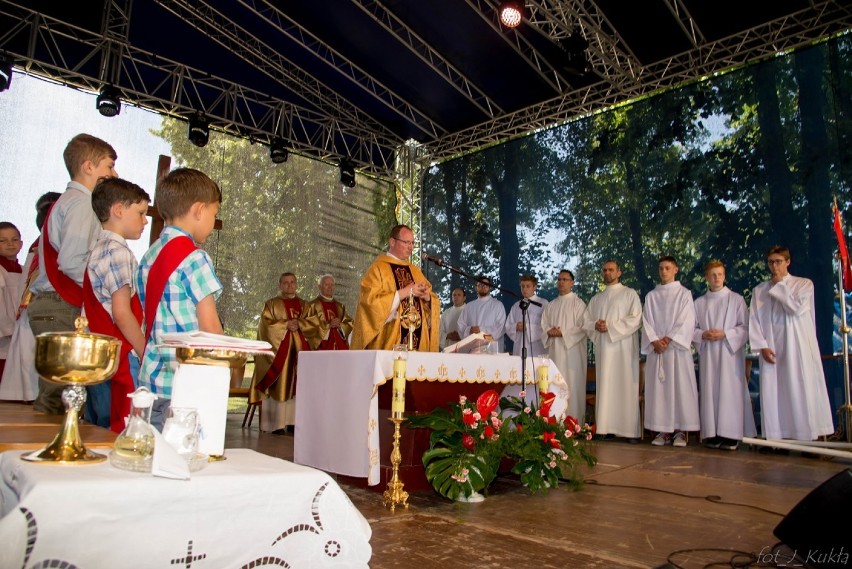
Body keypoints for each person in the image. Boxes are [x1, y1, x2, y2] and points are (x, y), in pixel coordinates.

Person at [28, 133, 118, 415]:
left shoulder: (68, 201)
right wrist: (104, 286)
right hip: (61, 303)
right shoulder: (82, 203)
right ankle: (54, 450)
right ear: (88, 167)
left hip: (52, 301)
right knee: (62, 393)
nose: (113, 173)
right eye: (109, 165)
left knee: (57, 389)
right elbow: (71, 261)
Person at [136, 168, 224, 431]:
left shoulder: (149, 256)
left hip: (151, 381)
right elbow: (210, 328)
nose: (213, 222)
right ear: (199, 210)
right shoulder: (195, 258)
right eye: (214, 214)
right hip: (185, 384)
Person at [83, 178, 149, 432]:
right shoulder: (117, 251)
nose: (145, 221)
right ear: (119, 210)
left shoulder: (98, 247)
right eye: (141, 213)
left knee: (99, 423)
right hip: (121, 354)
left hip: (100, 357)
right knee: (122, 427)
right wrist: (145, 351)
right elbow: (122, 313)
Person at [749, 246, 834, 441]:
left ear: (788, 262)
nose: (774, 266)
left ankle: (808, 437)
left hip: (797, 346)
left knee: (800, 387)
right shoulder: (759, 290)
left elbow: (795, 309)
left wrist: (780, 286)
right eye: (771, 262)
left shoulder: (803, 285)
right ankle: (776, 438)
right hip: (772, 347)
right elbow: (754, 320)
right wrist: (761, 345)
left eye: (778, 261)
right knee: (775, 392)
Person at [0, 193, 61, 402]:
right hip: (31, 318)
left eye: (14, 239)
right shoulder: (43, 249)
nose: (10, 244)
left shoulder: (38, 248)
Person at [693, 261, 756, 451]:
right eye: (713, 274)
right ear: (706, 277)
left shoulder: (736, 300)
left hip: (730, 354)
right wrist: (702, 334)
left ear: (724, 275)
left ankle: (731, 434)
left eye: (720, 274)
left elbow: (744, 328)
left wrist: (725, 334)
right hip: (709, 354)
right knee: (710, 390)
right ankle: (713, 433)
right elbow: (691, 328)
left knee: (730, 391)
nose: (717, 278)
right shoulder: (699, 303)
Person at [350, 224, 439, 351]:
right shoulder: (378, 269)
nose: (411, 247)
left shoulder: (415, 271)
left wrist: (427, 298)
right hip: (390, 342)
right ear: (392, 242)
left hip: (418, 344)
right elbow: (369, 304)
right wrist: (404, 292)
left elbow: (431, 305)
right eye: (407, 242)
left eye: (412, 243)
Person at [641, 256, 700, 447]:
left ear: (676, 269)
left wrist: (668, 339)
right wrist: (654, 341)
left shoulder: (684, 294)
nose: (663, 271)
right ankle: (662, 430)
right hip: (658, 351)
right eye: (661, 268)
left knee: (680, 389)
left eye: (667, 268)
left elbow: (686, 320)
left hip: (677, 351)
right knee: (659, 392)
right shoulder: (651, 296)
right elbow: (646, 321)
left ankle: (680, 431)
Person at [582, 260, 642, 442]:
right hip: (605, 350)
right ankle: (606, 428)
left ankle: (630, 431)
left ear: (619, 272)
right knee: (606, 386)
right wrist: (596, 325)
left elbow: (636, 319)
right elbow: (586, 322)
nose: (607, 273)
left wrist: (610, 326)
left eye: (611, 270)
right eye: (604, 270)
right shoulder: (596, 299)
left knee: (625, 385)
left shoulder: (629, 294)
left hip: (624, 349)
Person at [249, 272, 310, 433]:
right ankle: (276, 424)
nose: (290, 285)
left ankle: (293, 423)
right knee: (279, 384)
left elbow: (315, 324)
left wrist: (301, 324)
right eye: (286, 283)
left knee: (297, 385)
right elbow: (265, 324)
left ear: (297, 284)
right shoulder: (271, 304)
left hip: (300, 353)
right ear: (280, 285)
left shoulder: (305, 305)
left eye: (292, 282)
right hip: (279, 354)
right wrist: (285, 325)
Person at [541, 269, 588, 422]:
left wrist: (563, 333)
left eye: (565, 280)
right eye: (559, 279)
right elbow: (544, 325)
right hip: (555, 353)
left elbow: (583, 327)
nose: (561, 282)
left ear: (572, 283)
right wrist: (549, 331)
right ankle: (555, 422)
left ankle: (574, 422)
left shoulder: (579, 304)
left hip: (573, 354)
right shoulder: (551, 305)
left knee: (572, 385)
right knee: (554, 386)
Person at [303, 274, 354, 351]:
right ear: (319, 287)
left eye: (332, 285)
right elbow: (308, 327)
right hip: (321, 347)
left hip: (340, 346)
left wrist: (341, 326)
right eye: (326, 284)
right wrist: (328, 325)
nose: (330, 287)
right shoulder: (311, 306)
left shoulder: (340, 306)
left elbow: (350, 324)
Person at [456, 276, 506, 352]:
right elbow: (460, 324)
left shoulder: (498, 305)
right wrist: (469, 329)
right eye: (480, 285)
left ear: (490, 287)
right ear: (476, 287)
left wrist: (481, 329)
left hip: (491, 349)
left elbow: (501, 326)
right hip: (473, 349)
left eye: (485, 285)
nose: (483, 287)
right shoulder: (469, 306)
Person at [0, 222, 24, 382]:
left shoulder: (25, 269)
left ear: (21, 243)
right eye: (3, 240)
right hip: (5, 333)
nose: (10, 244)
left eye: (14, 239)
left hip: (20, 330)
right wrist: (8, 328)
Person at [504, 274, 548, 357]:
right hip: (519, 346)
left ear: (534, 287)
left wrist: (527, 327)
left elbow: (546, 327)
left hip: (537, 347)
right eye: (522, 286)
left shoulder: (543, 304)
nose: (524, 289)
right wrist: (516, 326)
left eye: (528, 286)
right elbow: (508, 325)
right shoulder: (516, 305)